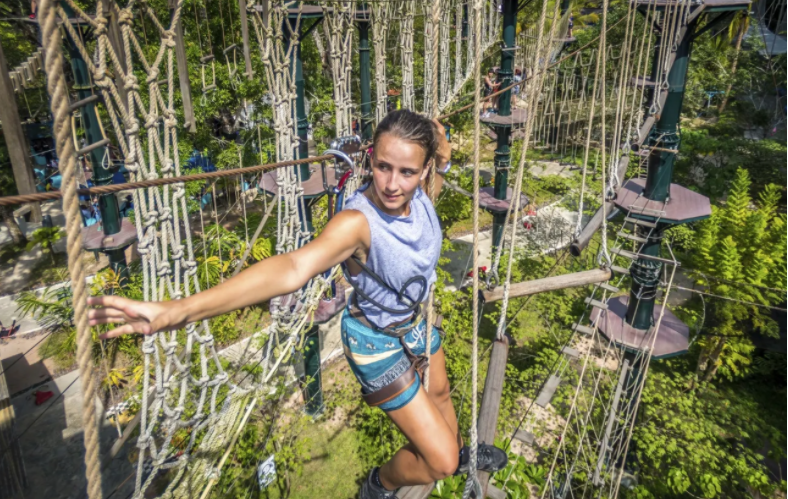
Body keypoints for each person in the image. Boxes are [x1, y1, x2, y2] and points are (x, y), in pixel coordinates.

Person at [87, 110, 508, 498]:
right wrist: (177, 310)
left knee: (441, 393)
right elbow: (292, 267)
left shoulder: (423, 195)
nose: (392, 184)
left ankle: (461, 454)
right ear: (371, 160)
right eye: (382, 166)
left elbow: (437, 165)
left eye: (407, 171)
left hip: (413, 324)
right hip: (376, 341)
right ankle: (379, 484)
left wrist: (442, 148)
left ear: (425, 169)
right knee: (439, 462)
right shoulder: (356, 223)